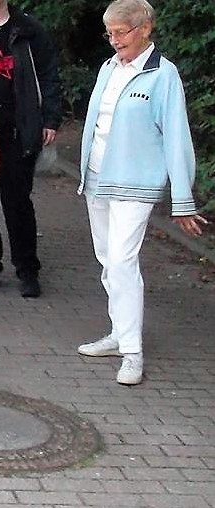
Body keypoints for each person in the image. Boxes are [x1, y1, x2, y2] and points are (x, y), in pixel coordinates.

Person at [77, 0, 208, 385]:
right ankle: (119, 333)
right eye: (110, 33)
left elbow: (177, 138)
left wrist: (182, 199)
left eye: (121, 32)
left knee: (121, 260)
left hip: (135, 184)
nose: (114, 41)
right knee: (107, 260)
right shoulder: (107, 68)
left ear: (145, 28)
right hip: (98, 179)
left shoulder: (162, 75)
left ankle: (132, 351)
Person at [0, 0, 62, 297]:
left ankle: (27, 270)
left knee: (17, 202)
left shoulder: (29, 30)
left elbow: (48, 75)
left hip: (19, 129)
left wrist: (50, 119)